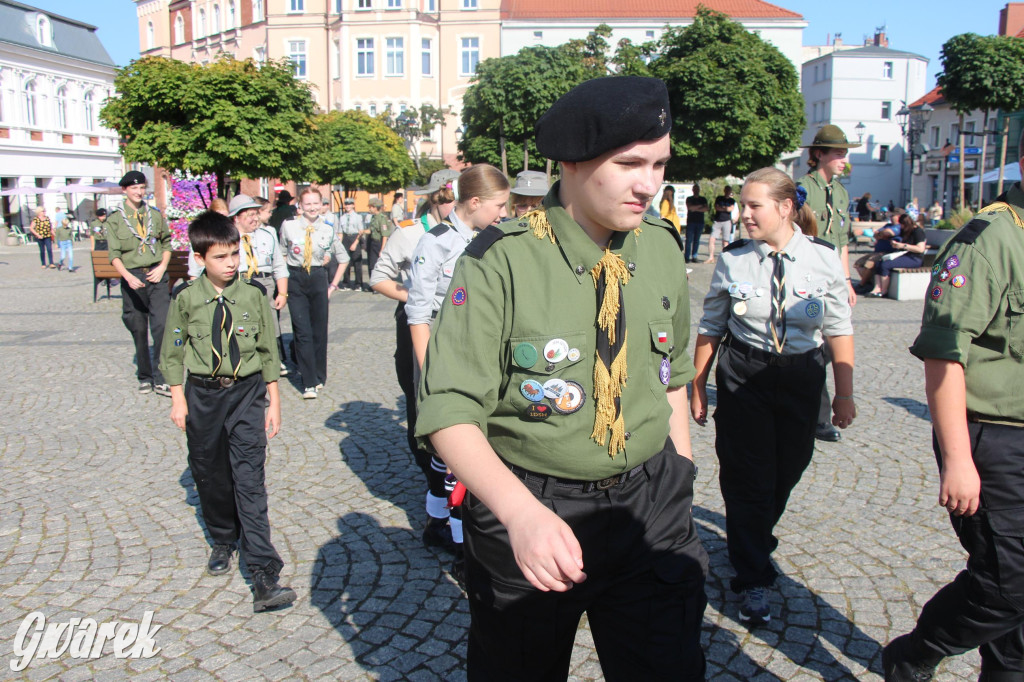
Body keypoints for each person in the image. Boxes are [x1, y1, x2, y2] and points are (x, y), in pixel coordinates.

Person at [415, 76, 708, 680]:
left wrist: (678, 474)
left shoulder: (658, 246)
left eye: (659, 164)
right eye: (629, 163)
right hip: (533, 500)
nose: (649, 184)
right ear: (571, 162)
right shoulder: (502, 259)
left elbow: (671, 376)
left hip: (650, 506)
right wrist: (519, 515)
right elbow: (447, 410)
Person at [882, 134, 1024, 682]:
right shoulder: (987, 239)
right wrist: (959, 459)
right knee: (1007, 580)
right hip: (993, 436)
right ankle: (916, 654)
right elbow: (944, 355)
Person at [691, 167, 855, 626]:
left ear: (784, 208)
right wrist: (697, 385)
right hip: (745, 374)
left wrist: (844, 394)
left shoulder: (822, 258)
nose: (744, 215)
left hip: (803, 377)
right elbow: (711, 327)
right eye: (743, 206)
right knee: (747, 478)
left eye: (754, 206)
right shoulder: (734, 258)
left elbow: (839, 328)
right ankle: (752, 575)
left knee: (788, 469)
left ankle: (756, 536)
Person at [158, 210, 296, 613]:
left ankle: (264, 574)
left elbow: (270, 349)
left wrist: (275, 401)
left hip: (247, 393)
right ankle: (222, 536)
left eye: (235, 253)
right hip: (203, 395)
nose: (232, 263)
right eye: (221, 257)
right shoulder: (186, 299)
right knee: (210, 473)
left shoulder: (254, 294)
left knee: (249, 479)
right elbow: (173, 350)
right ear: (200, 258)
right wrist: (178, 398)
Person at [407, 164, 510, 582]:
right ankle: (463, 548)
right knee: (453, 459)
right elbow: (417, 314)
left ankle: (446, 529)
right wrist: (432, 375)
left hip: (483, 355)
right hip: (445, 358)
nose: (504, 213)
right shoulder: (435, 243)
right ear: (474, 202)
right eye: (499, 205)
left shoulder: (497, 239)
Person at [370, 169, 458, 557]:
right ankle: (434, 490)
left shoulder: (468, 232)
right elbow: (379, 278)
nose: (452, 204)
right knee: (420, 406)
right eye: (446, 198)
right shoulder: (408, 233)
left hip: (455, 324)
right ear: (435, 199)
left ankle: (447, 493)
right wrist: (418, 299)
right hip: (416, 325)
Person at [798, 124, 859, 442]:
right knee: (815, 345)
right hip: (810, 275)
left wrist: (847, 281)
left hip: (833, 277)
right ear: (818, 154)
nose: (843, 160)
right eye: (838, 153)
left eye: (845, 154)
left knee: (834, 342)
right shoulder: (802, 189)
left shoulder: (842, 192)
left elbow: (843, 240)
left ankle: (819, 408)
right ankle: (820, 417)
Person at [106, 170, 173, 396]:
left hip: (156, 275)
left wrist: (163, 266)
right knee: (137, 327)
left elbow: (166, 243)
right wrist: (127, 276)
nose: (139, 192)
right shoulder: (115, 219)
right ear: (125, 190)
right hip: (132, 277)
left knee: (162, 325)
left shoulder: (154, 215)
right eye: (134, 188)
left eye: (142, 188)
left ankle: (163, 377)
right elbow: (114, 254)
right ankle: (145, 376)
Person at [279, 188, 350, 399]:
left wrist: (333, 286)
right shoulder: (289, 226)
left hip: (318, 278)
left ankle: (319, 375)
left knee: (319, 331)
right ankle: (308, 381)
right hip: (295, 279)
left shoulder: (328, 229)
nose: (311, 208)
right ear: (300, 206)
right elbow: (282, 253)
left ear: (321, 205)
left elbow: (343, 258)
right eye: (307, 204)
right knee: (302, 331)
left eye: (315, 204)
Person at [864, 213, 927, 298]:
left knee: (885, 265)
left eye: (901, 225)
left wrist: (903, 246)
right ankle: (877, 288)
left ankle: (883, 291)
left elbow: (920, 249)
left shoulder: (917, 231)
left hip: (915, 258)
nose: (900, 227)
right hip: (904, 255)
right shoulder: (904, 231)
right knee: (879, 263)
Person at [853, 210, 902, 293]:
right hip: (876, 252)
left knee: (869, 264)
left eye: (893, 215)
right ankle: (868, 283)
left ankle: (862, 284)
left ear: (898, 216)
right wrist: (882, 235)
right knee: (858, 263)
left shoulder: (898, 226)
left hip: (886, 252)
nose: (890, 217)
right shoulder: (888, 225)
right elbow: (875, 234)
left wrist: (881, 234)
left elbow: (890, 233)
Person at [334, 198, 366, 291]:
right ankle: (346, 282)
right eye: (346, 204)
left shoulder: (357, 217)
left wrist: (355, 243)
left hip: (355, 237)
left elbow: (361, 231)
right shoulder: (342, 217)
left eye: (350, 204)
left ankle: (358, 284)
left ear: (353, 205)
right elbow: (340, 232)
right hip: (345, 238)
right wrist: (339, 244)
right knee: (345, 261)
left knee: (357, 262)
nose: (348, 206)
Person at [705, 185, 736, 263]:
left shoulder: (731, 201)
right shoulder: (719, 198)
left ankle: (725, 257)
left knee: (725, 241)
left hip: (727, 221)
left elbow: (730, 209)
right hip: (718, 221)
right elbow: (717, 207)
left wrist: (723, 208)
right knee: (712, 238)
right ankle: (711, 257)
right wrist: (725, 208)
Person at [366, 196, 391, 278]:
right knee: (371, 263)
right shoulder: (373, 217)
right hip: (372, 242)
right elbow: (371, 230)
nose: (369, 209)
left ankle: (377, 282)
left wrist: (382, 249)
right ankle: (372, 282)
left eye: (370, 207)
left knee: (376, 263)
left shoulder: (382, 218)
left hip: (379, 243)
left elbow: (384, 235)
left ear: (375, 207)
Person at [684, 184, 709, 263]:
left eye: (697, 189)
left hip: (700, 222)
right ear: (693, 190)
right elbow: (690, 208)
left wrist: (695, 208)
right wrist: (700, 207)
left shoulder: (703, 199)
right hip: (691, 222)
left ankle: (694, 256)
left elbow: (706, 208)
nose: (696, 190)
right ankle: (686, 257)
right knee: (689, 240)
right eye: (695, 189)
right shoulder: (689, 199)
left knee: (697, 240)